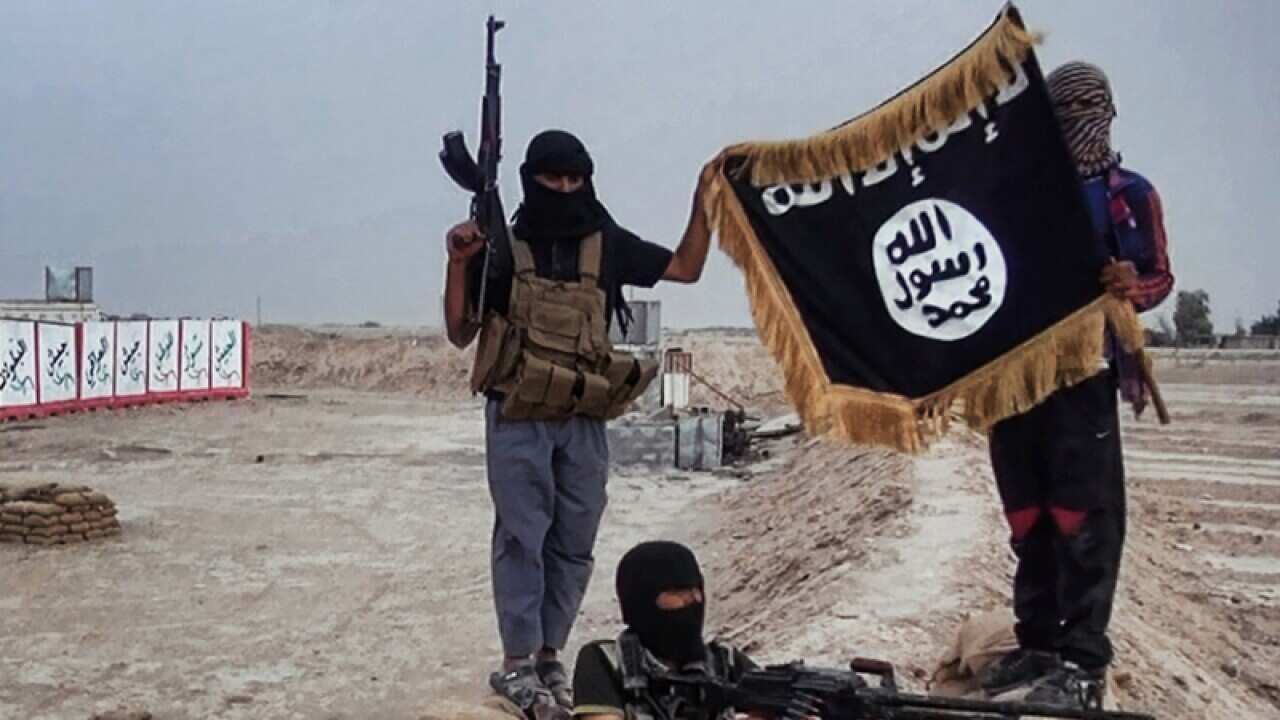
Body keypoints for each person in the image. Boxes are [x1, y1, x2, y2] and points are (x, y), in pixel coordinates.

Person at [443, 130, 714, 716]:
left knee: (574, 542)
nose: (565, 189)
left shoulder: (605, 242)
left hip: (583, 412)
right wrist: (459, 263)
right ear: (530, 180)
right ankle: (518, 662)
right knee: (522, 536)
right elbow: (461, 331)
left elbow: (687, 267)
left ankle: (548, 653)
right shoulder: (506, 245)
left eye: (575, 179)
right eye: (552, 179)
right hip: (519, 411)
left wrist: (704, 202)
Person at [979, 61, 1173, 707]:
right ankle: (1035, 644)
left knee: (1084, 517)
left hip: (1084, 375)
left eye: (1089, 115)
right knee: (1027, 514)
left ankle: (1083, 663)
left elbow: (1159, 277)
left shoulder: (1131, 195)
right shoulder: (1015, 195)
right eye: (1067, 117)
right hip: (1013, 382)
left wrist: (1130, 284)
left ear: (1108, 116)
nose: (1081, 130)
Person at [571, 541, 759, 720]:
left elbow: (774, 694)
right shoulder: (605, 661)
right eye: (679, 593)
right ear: (642, 600)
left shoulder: (725, 661)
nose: (694, 600)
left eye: (696, 590)